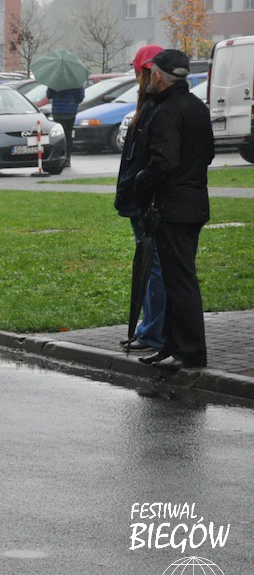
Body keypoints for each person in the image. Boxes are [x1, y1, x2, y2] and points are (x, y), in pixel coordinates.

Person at [134, 49, 214, 371]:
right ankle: (172, 346)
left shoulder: (166, 111)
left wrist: (143, 179)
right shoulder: (197, 107)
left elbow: (164, 161)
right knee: (177, 279)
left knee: (179, 282)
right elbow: (208, 153)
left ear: (158, 77)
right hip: (194, 203)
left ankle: (189, 350)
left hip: (173, 206)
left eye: (151, 74)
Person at [115, 44, 165, 354]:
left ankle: (153, 330)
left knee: (152, 265)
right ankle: (151, 327)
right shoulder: (148, 108)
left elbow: (147, 161)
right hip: (141, 199)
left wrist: (137, 190)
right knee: (151, 264)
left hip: (146, 202)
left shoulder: (152, 110)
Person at [45, 83, 84, 170]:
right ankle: (67, 158)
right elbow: (80, 97)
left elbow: (49, 95)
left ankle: (58, 156)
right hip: (70, 111)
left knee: (59, 135)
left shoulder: (55, 81)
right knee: (68, 135)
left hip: (57, 111)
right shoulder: (76, 82)